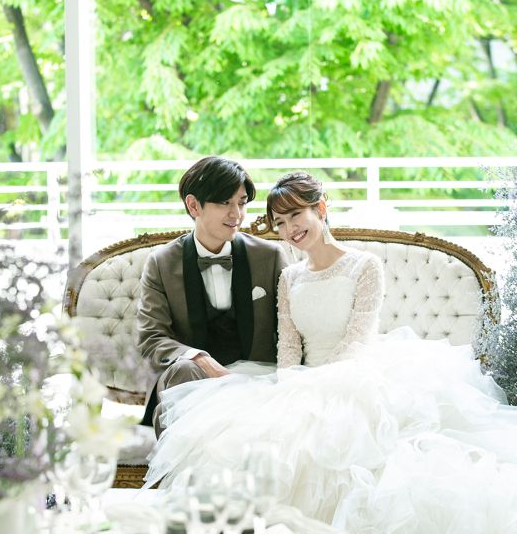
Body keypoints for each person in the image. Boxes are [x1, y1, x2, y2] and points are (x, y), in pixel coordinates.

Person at [144, 172, 517, 533]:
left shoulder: (365, 265)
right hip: (297, 379)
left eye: (295, 215)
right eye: (280, 222)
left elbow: (357, 338)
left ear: (320, 208)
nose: (289, 229)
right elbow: (288, 344)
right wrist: (287, 384)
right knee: (242, 438)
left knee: (346, 448)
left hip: (355, 376)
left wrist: (316, 386)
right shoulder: (289, 276)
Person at [137, 156, 288, 437]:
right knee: (184, 370)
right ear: (194, 205)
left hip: (255, 381)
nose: (236, 214)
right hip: (192, 384)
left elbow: (290, 329)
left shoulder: (269, 257)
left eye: (241, 203)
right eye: (224, 203)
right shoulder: (162, 262)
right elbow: (151, 338)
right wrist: (199, 360)